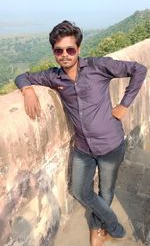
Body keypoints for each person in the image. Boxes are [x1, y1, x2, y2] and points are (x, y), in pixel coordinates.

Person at [15, 20, 147, 246]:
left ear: (79, 49)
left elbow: (139, 69)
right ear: (54, 52)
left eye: (70, 49)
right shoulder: (54, 77)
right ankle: (113, 224)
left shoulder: (98, 66)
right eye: (59, 50)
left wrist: (125, 104)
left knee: (105, 191)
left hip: (110, 145)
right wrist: (27, 91)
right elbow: (23, 76)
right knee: (79, 190)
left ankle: (98, 228)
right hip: (83, 148)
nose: (64, 55)